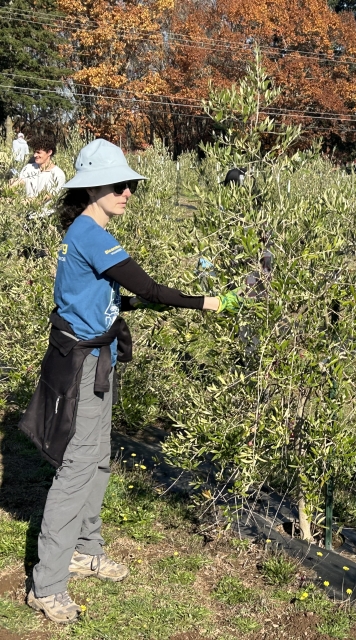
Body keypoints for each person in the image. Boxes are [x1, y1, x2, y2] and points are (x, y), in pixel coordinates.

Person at [19, 139, 241, 624]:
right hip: (82, 364)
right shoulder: (92, 233)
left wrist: (146, 303)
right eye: (119, 185)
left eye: (130, 185)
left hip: (99, 356)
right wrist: (207, 303)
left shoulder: (86, 231)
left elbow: (112, 295)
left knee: (97, 460)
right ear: (93, 188)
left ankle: (84, 549)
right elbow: (147, 285)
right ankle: (47, 583)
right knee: (76, 468)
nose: (127, 193)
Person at [11, 134, 65, 201]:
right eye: (34, 152)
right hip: (26, 210)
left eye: (38, 152)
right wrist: (10, 188)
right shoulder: (28, 168)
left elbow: (44, 198)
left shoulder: (58, 174)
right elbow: (19, 182)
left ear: (49, 152)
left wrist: (22, 202)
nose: (35, 155)